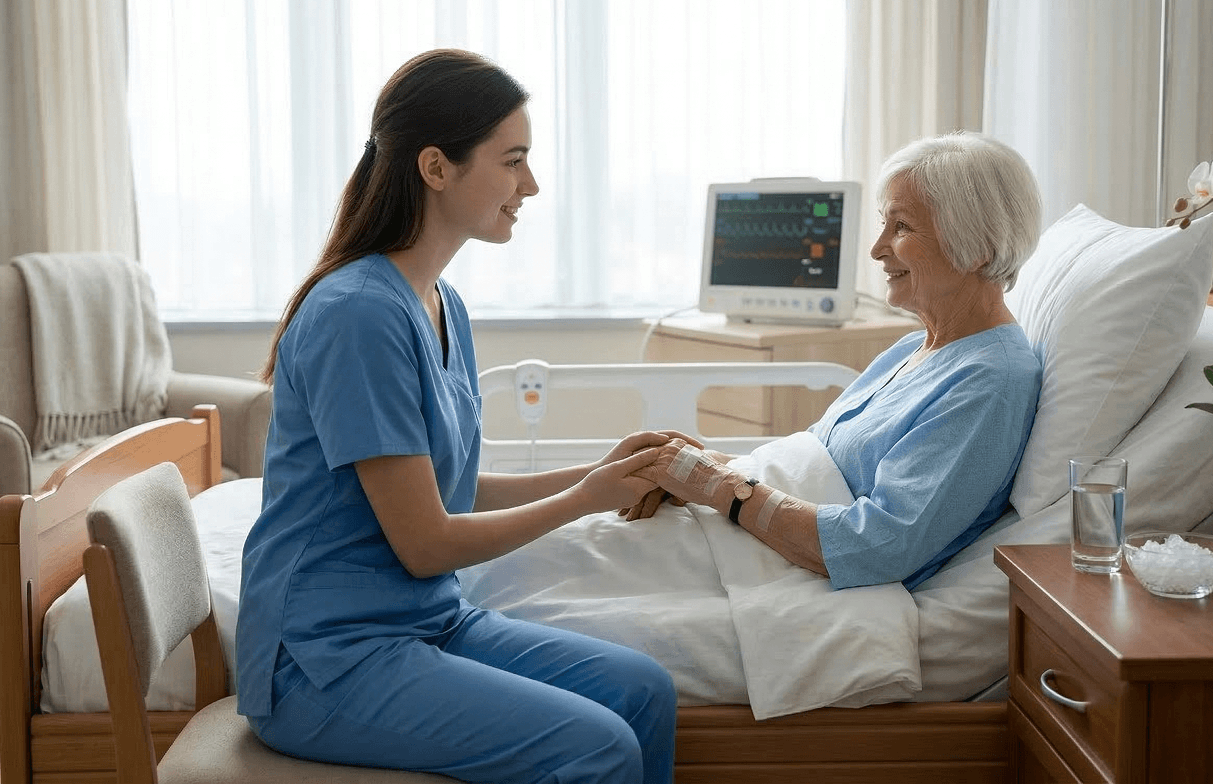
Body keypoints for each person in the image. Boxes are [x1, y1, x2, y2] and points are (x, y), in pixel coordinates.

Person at [236, 49, 680, 784]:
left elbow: (455, 488)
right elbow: (426, 542)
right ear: (437, 167)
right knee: (596, 748)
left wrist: (607, 472)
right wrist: (585, 501)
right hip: (324, 660)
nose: (530, 185)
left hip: (425, 623)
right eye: (512, 161)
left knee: (642, 693)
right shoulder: (358, 315)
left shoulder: (439, 303)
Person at [626, 131, 1044, 591]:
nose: (877, 248)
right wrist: (693, 466)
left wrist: (717, 486)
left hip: (771, 569)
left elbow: (878, 546)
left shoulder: (991, 381)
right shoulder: (912, 349)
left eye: (901, 227)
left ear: (977, 245)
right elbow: (813, 466)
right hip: (744, 534)